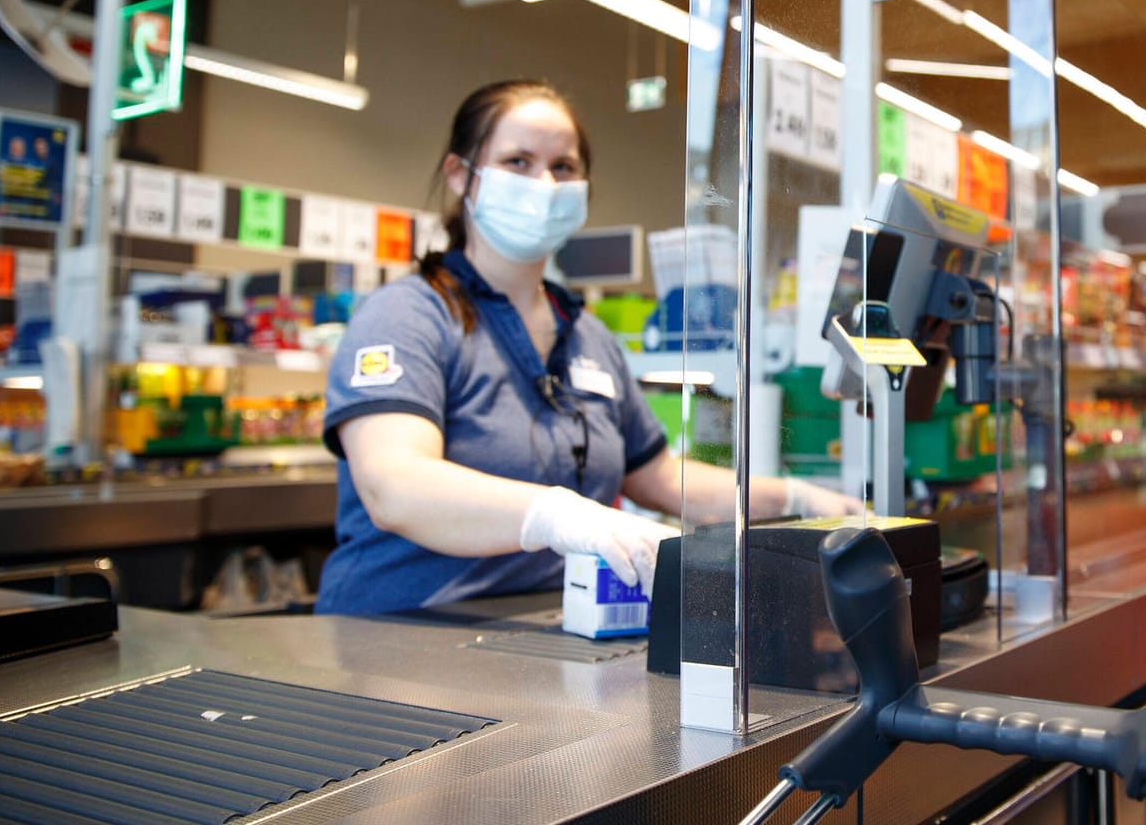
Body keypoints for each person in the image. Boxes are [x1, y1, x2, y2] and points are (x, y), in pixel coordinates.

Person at [316, 79, 860, 614]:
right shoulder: (407, 316)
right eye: (518, 162)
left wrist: (798, 501)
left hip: (549, 630)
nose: (545, 183)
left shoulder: (587, 335)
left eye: (564, 167)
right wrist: (558, 516)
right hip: (400, 633)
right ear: (461, 175)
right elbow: (395, 484)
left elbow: (662, 479)